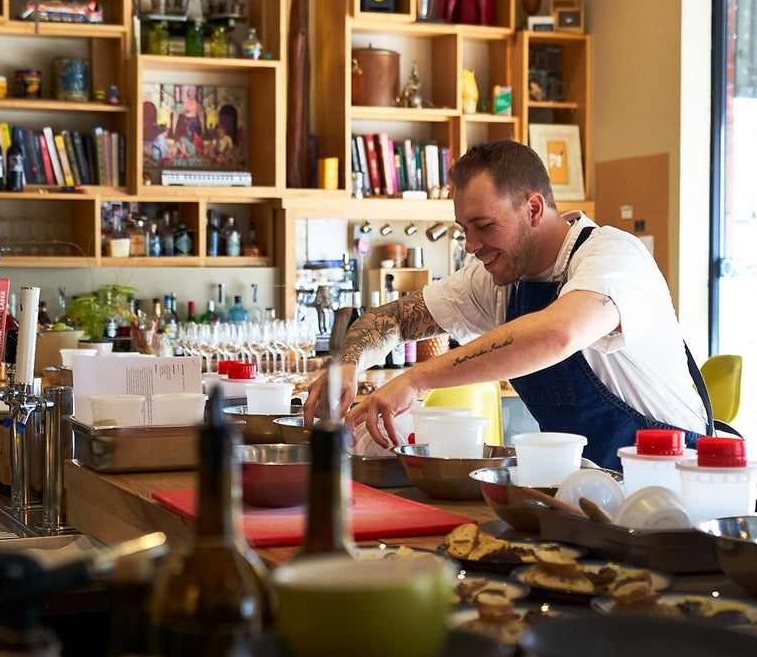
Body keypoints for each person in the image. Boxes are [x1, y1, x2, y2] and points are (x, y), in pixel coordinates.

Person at [303, 140, 713, 470]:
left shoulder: (612, 256)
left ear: (533, 208)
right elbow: (394, 319)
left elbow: (558, 333)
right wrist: (349, 364)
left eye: (484, 226)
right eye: (465, 229)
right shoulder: (500, 280)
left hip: (676, 483)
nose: (472, 245)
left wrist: (417, 378)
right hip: (587, 487)